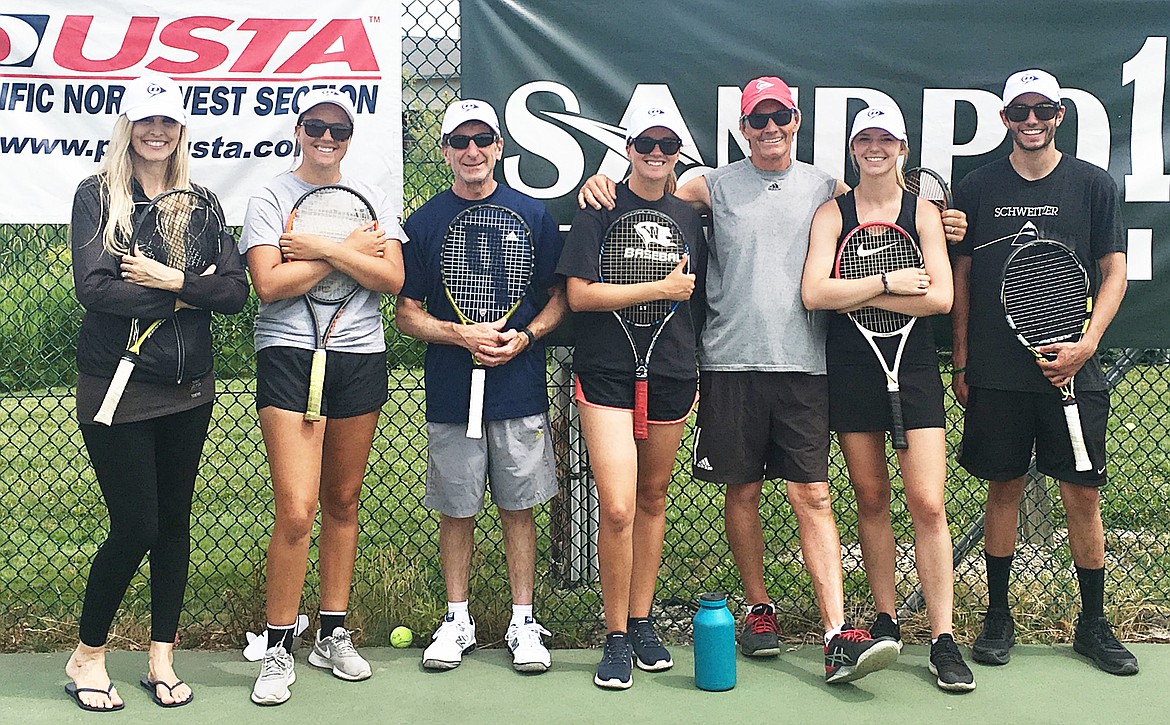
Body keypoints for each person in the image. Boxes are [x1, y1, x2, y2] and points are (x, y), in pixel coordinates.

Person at [581, 76, 969, 684]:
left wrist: (942, 224)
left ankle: (838, 633)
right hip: (727, 364)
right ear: (742, 130)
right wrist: (599, 182)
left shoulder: (826, 187)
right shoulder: (707, 183)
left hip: (807, 367)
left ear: (796, 122)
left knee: (813, 495)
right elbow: (649, 193)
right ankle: (760, 608)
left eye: (780, 118)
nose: (769, 130)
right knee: (743, 493)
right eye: (757, 121)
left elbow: (877, 206)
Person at [66, 74, 248, 711]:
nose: (155, 131)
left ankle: (160, 660)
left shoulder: (202, 204)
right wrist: (184, 289)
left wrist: (172, 279)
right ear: (127, 125)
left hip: (189, 388)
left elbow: (231, 293)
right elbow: (97, 289)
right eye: (145, 120)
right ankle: (88, 654)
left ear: (181, 129)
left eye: (167, 121)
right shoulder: (96, 196)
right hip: (116, 384)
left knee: (173, 526)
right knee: (136, 524)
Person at [950, 69, 1136, 675]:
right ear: (1003, 119)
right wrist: (962, 359)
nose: (1031, 120)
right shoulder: (977, 186)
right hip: (999, 374)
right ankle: (997, 619)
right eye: (1019, 111)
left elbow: (1114, 271)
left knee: (1082, 495)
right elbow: (964, 278)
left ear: (1060, 115)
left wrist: (1086, 345)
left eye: (1043, 110)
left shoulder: (1093, 185)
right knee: (1002, 488)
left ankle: (1093, 625)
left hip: (1075, 371)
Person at [240, 87, 406, 705]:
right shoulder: (270, 196)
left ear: (350, 134)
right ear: (298, 129)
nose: (327, 138)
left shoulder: (374, 196)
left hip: (360, 355)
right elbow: (269, 284)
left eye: (338, 128)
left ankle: (331, 633)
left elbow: (390, 278)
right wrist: (353, 252)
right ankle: (277, 644)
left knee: (341, 500)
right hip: (287, 356)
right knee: (297, 506)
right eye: (316, 126)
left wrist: (324, 248)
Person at [802, 106, 974, 691]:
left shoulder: (924, 213)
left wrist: (861, 296)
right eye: (864, 139)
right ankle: (886, 620)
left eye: (885, 140)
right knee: (871, 498)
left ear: (902, 147)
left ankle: (944, 638)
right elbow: (814, 292)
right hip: (852, 366)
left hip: (915, 366)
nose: (874, 148)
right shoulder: (833, 213)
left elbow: (942, 299)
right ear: (853, 148)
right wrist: (888, 283)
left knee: (927, 502)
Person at [397, 99, 568, 674]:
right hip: (451, 390)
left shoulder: (534, 215)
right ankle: (457, 619)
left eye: (482, 139)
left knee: (519, 506)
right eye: (460, 141)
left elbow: (557, 298)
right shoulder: (423, 223)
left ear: (499, 147)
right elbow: (406, 313)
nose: (472, 151)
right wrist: (459, 334)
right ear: (445, 151)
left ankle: (524, 621)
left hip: (518, 386)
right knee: (457, 507)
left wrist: (524, 337)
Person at [558, 107, 702, 689]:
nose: (657, 151)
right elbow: (579, 295)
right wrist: (659, 288)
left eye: (668, 143)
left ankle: (641, 620)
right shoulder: (599, 205)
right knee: (616, 506)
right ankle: (614, 633)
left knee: (652, 497)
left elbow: (698, 294)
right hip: (607, 374)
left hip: (671, 371)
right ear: (628, 145)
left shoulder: (692, 214)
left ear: (677, 153)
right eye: (646, 141)